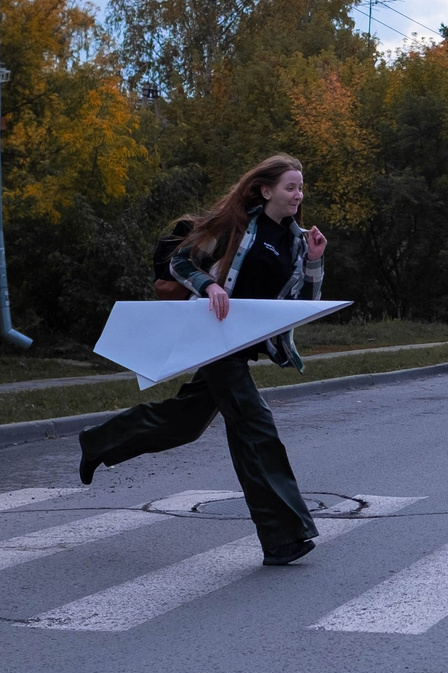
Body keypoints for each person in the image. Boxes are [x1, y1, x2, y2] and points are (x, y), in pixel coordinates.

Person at [77, 154, 332, 567]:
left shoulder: (298, 240)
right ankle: (284, 537)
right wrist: (208, 285)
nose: (298, 195)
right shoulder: (235, 226)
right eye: (291, 187)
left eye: (301, 188)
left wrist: (316, 261)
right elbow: (180, 261)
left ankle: (99, 441)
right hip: (213, 340)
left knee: (186, 422)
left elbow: (303, 304)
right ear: (266, 190)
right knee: (256, 427)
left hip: (244, 346)